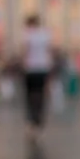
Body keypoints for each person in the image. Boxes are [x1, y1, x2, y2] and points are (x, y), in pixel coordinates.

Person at [21, 15, 52, 145]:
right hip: (43, 69)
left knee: (30, 97)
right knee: (40, 98)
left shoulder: (27, 34)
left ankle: (31, 122)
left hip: (30, 69)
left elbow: (24, 51)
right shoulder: (45, 34)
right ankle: (39, 123)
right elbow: (48, 52)